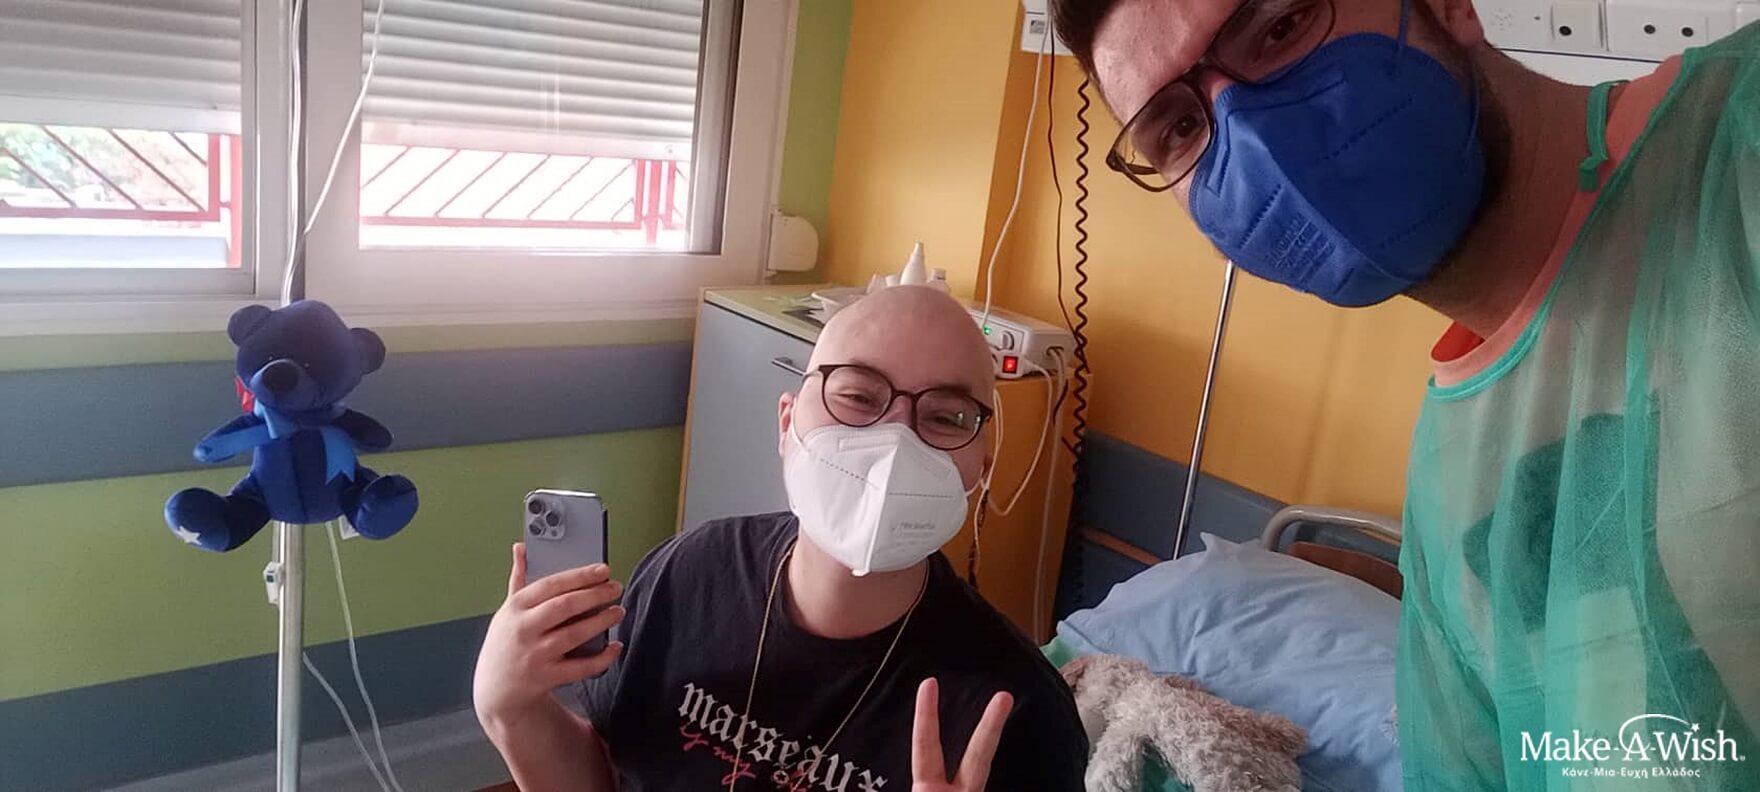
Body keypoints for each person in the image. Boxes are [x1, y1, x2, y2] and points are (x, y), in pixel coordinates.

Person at [1051, 0, 1758, 787]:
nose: (1252, 139)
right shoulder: (1455, 496)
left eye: (1279, 28)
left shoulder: (1740, 156)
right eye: (1180, 128)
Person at [473, 285, 1089, 790]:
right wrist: (509, 707)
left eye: (945, 418)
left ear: (980, 471)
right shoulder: (687, 576)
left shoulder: (1016, 714)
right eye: (858, 396)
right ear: (787, 422)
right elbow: (607, 775)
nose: (895, 443)